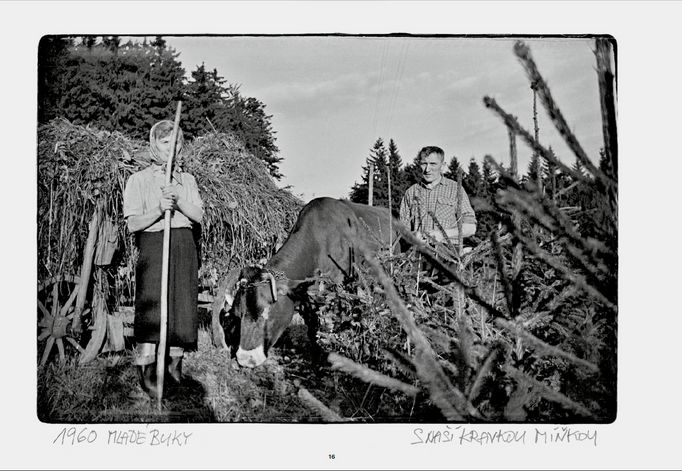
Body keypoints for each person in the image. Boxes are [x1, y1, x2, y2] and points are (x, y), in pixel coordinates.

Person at [123, 120, 204, 398]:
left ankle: (173, 368)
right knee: (152, 305)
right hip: (154, 244)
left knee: (180, 306)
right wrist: (159, 209)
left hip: (183, 244)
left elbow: (199, 216)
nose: (172, 149)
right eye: (166, 143)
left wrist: (179, 200)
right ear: (155, 145)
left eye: (177, 143)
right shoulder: (138, 180)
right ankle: (147, 369)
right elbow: (133, 224)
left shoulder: (188, 180)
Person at [399, 146, 476, 244]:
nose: (427, 169)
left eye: (433, 164)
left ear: (443, 165)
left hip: (449, 254)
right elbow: (402, 230)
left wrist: (443, 234)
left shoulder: (456, 189)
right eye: (424, 164)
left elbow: (470, 228)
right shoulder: (411, 192)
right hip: (417, 253)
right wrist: (414, 236)